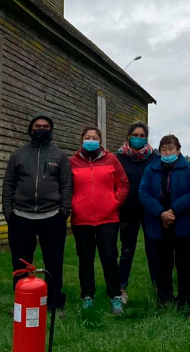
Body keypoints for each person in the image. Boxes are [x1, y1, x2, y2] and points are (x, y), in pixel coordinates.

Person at [2, 113, 74, 315]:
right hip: (20, 217)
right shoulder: (19, 154)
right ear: (30, 130)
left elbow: (66, 185)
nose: (41, 129)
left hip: (52, 216)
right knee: (20, 263)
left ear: (50, 130)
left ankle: (54, 303)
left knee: (54, 262)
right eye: (37, 126)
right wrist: (8, 212)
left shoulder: (59, 156)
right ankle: (21, 303)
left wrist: (63, 212)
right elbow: (8, 184)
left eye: (45, 126)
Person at [69, 126, 130, 315]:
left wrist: (114, 202)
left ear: (100, 141)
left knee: (109, 258)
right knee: (85, 259)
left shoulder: (111, 159)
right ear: (81, 140)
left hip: (108, 219)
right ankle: (88, 296)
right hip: (81, 219)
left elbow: (123, 184)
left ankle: (115, 297)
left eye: (94, 137)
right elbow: (66, 187)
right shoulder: (72, 161)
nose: (91, 140)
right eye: (87, 137)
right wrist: (74, 205)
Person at [138, 134, 190, 315]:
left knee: (184, 265)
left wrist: (173, 211)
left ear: (179, 150)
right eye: (164, 150)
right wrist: (161, 213)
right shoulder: (151, 170)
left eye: (171, 149)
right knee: (162, 265)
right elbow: (143, 193)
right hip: (159, 224)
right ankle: (164, 300)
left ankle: (185, 301)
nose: (167, 153)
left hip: (183, 224)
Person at [114, 121, 158, 305]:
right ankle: (121, 287)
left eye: (142, 136)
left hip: (150, 212)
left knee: (154, 250)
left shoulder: (154, 157)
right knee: (126, 250)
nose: (138, 139)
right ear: (128, 136)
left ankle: (159, 286)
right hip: (127, 213)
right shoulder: (119, 157)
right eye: (135, 135)